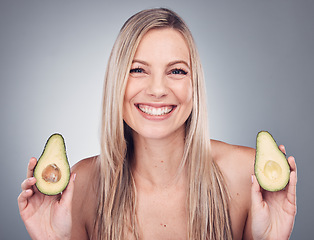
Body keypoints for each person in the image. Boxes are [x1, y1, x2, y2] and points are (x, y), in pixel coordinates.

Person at [18, 8, 297, 240]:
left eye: (176, 71)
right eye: (138, 70)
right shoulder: (81, 188)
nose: (157, 89)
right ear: (117, 82)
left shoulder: (246, 177)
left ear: (194, 85)